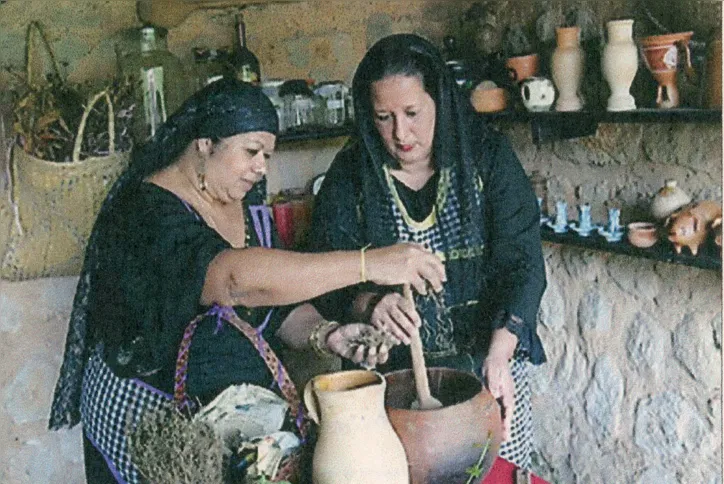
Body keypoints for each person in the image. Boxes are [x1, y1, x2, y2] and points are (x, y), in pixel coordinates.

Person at [47, 78, 446, 483]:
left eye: (268, 156)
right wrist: (370, 264)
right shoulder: (146, 212)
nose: (261, 168)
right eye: (252, 152)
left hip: (226, 419)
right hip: (151, 423)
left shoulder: (245, 201)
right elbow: (232, 281)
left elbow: (271, 303)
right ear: (205, 144)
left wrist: (327, 334)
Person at [309, 33, 547, 471]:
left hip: (486, 367)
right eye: (384, 117)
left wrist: (501, 353)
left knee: (494, 473)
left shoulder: (487, 158)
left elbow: (523, 264)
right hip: (390, 386)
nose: (401, 133)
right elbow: (325, 280)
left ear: (439, 100)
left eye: (413, 113)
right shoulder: (351, 175)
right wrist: (370, 304)